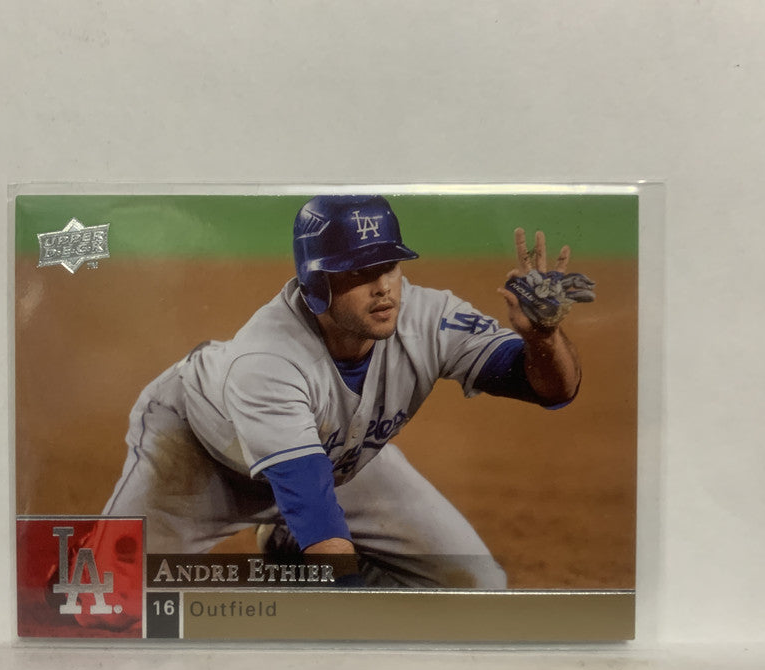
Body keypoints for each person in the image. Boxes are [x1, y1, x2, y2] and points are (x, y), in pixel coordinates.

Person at [101, 195, 585, 589]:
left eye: (389, 266)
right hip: (201, 456)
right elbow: (316, 516)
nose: (383, 287)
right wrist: (349, 612)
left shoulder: (428, 318)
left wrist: (543, 338)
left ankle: (284, 547)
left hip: (332, 459)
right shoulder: (267, 361)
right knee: (103, 596)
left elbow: (550, 390)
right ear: (317, 283)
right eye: (358, 273)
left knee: (477, 585)